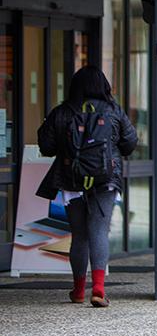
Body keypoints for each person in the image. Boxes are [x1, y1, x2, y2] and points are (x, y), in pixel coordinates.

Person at [35, 65, 138, 308]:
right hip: (105, 180)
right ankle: (99, 290)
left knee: (79, 235)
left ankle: (79, 291)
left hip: (72, 180)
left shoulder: (62, 112)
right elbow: (130, 143)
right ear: (103, 86)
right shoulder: (114, 111)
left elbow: (46, 146)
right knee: (99, 232)